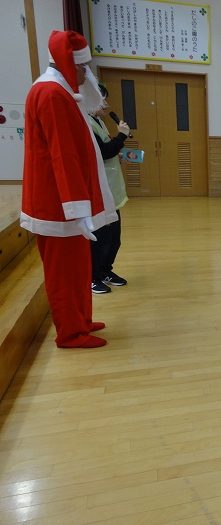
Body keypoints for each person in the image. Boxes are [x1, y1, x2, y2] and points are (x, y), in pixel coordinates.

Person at [20, 30, 117, 348]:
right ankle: (70, 333)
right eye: (84, 66)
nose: (87, 73)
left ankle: (81, 321)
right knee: (64, 272)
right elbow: (63, 155)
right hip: (57, 204)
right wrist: (78, 208)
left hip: (66, 202)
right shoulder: (51, 93)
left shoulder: (61, 91)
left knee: (78, 268)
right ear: (69, 64)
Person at [87, 83, 130, 294]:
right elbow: (102, 152)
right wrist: (121, 136)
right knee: (101, 238)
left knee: (114, 238)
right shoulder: (86, 124)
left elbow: (103, 151)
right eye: (102, 99)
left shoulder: (99, 122)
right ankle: (92, 277)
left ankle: (105, 271)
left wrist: (118, 154)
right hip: (99, 192)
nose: (106, 104)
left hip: (111, 191)